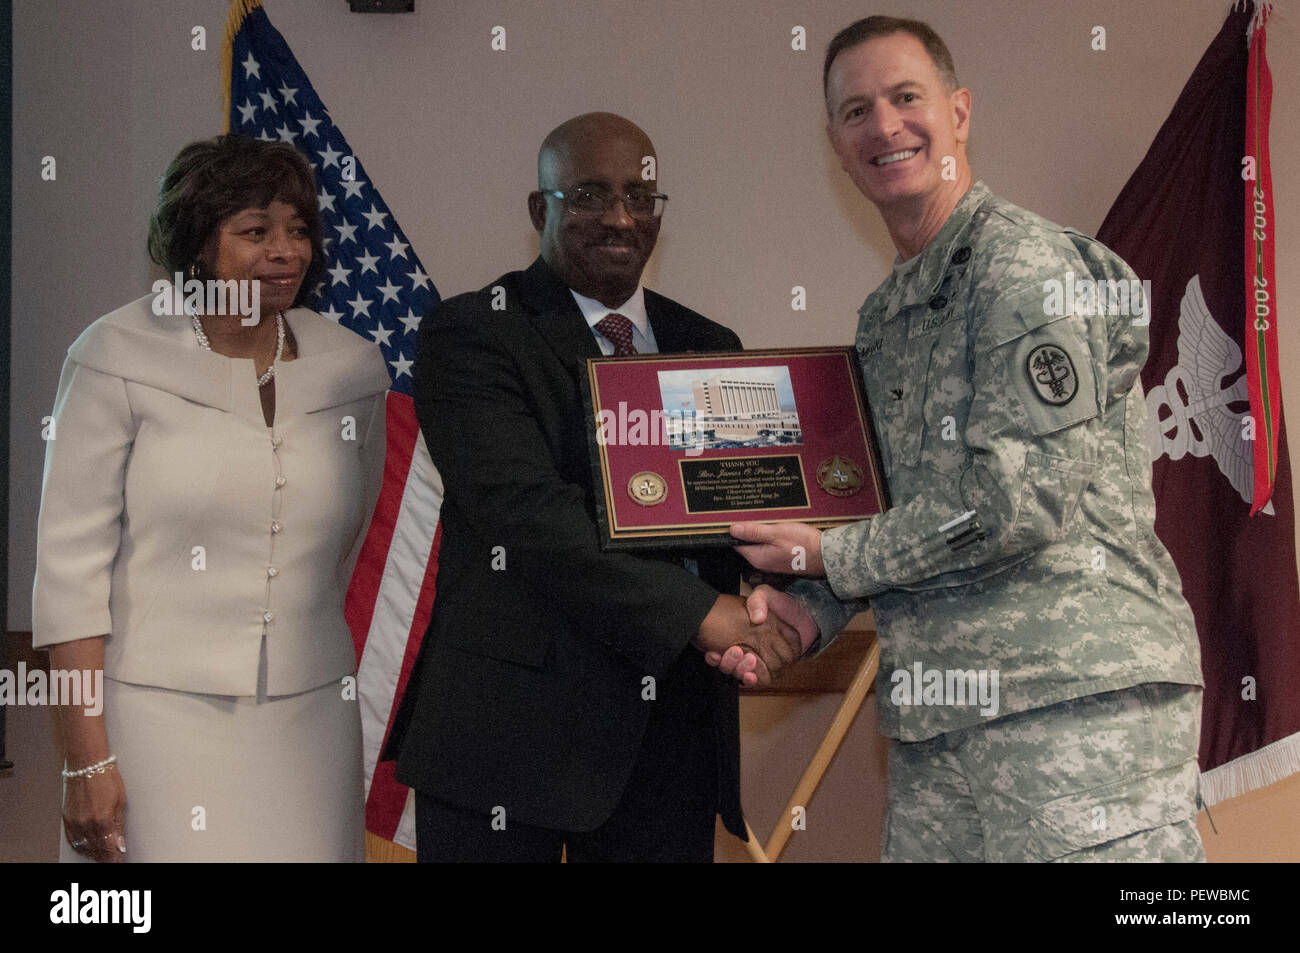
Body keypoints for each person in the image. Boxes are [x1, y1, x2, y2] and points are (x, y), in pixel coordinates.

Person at [720, 17, 1205, 862]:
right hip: (940, 718)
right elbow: (893, 514)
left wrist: (830, 558)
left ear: (960, 112)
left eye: (906, 97)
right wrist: (806, 615)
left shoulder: (1023, 271)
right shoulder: (883, 321)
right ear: (836, 144)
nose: (884, 125)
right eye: (856, 110)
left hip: (1072, 707)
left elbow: (1018, 499)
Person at [385, 112, 798, 863]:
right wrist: (702, 613)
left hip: (669, 741)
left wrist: (792, 587)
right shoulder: (473, 332)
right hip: (508, 745)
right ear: (540, 209)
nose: (619, 217)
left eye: (640, 197)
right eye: (589, 195)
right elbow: (531, 517)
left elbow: (740, 514)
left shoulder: (712, 345)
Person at [32, 134, 390, 862]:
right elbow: (69, 578)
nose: (285, 250)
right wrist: (85, 760)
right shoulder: (113, 356)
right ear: (198, 244)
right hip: (154, 719)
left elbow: (347, 541)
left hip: (312, 718)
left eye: (297, 230)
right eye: (256, 231)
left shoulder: (351, 368)